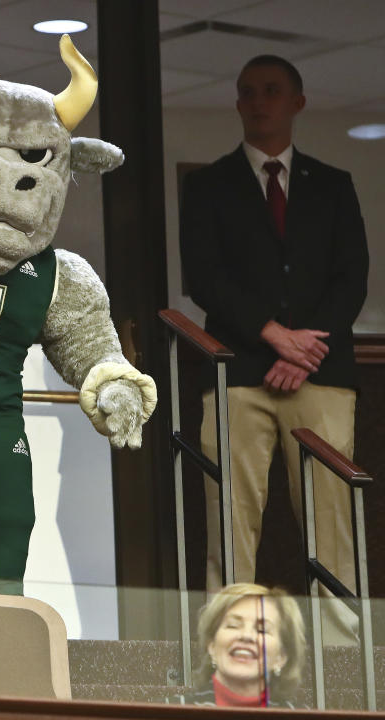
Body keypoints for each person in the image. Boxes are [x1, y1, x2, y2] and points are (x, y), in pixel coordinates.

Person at [181, 55, 368, 637]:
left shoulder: (333, 186)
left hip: (321, 376)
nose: (257, 101)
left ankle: (340, 650)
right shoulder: (209, 185)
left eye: (270, 91)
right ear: (237, 104)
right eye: (246, 92)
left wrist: (303, 351)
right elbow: (203, 277)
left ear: (297, 103)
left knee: (331, 516)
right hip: (239, 376)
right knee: (230, 514)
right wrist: (273, 336)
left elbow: (351, 277)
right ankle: (226, 644)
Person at [168, 583, 306, 707]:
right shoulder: (167, 712)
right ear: (212, 646)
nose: (246, 636)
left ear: (281, 657)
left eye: (262, 630)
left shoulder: (303, 718)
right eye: (233, 626)